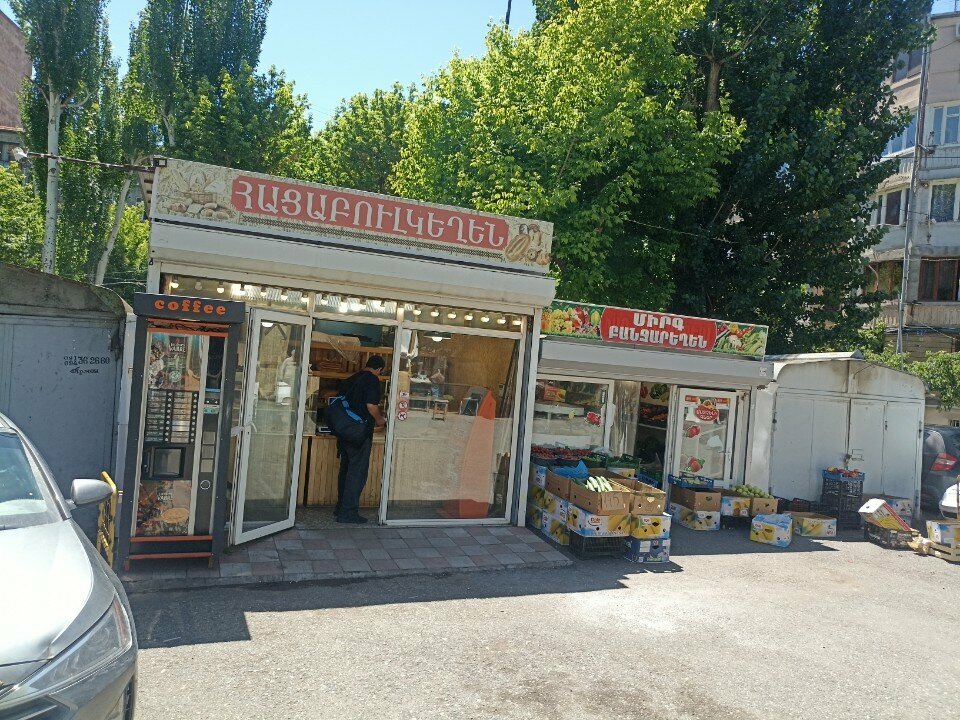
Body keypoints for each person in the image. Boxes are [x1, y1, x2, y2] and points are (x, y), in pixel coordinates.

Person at [334, 355, 386, 523]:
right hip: (359, 433)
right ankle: (348, 513)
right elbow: (371, 406)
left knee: (346, 469)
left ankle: (340, 508)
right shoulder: (372, 380)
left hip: (344, 431)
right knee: (357, 473)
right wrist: (380, 420)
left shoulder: (352, 379)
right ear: (379, 370)